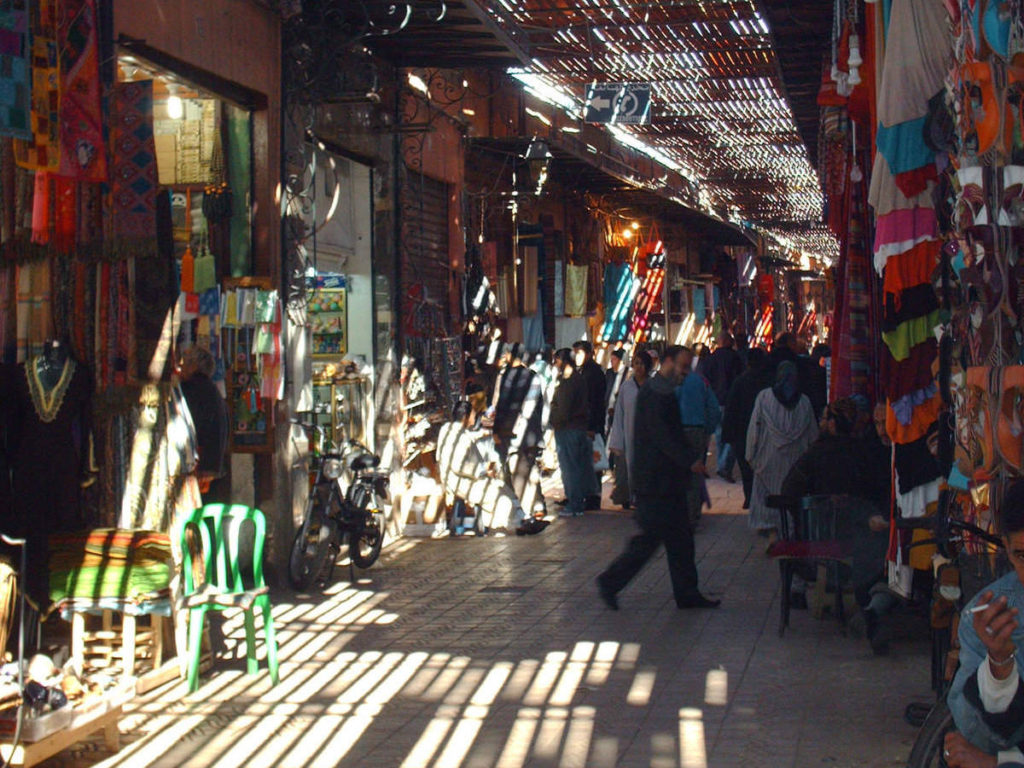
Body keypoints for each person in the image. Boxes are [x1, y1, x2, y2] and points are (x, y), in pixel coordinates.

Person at [597, 345, 720, 610]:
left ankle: (687, 593)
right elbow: (663, 437)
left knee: (680, 540)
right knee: (649, 541)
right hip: (655, 484)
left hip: (667, 483)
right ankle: (610, 581)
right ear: (668, 362)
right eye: (683, 367)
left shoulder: (662, 392)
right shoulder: (655, 394)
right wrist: (690, 460)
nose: (686, 373)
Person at [780, 397, 891, 618]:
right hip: (859, 540)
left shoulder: (815, 454)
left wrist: (808, 514)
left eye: (824, 418)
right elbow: (877, 493)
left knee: (795, 535)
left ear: (832, 423)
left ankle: (798, 590)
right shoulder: (864, 454)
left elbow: (789, 491)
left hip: (818, 541)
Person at [944, 480, 1024, 768]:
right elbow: (972, 737)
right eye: (1021, 556)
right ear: (1006, 547)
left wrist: (999, 763)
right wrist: (999, 666)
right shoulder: (986, 616)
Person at [436, 401, 547, 536]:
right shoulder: (455, 435)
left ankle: (523, 518)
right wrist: (483, 469)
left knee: (503, 486)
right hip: (462, 481)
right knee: (500, 497)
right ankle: (516, 524)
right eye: (472, 414)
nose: (474, 418)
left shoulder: (449, 430)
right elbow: (459, 465)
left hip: (468, 478)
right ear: (466, 416)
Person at [746, 361, 818, 542]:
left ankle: (773, 535)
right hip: (796, 460)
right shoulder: (804, 402)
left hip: (768, 458)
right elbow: (812, 435)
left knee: (769, 497)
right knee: (791, 495)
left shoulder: (764, 398)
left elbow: (755, 428)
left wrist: (750, 454)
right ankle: (792, 534)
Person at [490, 343, 545, 516]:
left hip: (514, 433)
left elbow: (499, 405)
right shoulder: (533, 377)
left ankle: (526, 511)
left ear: (509, 355)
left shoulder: (505, 376)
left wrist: (497, 430)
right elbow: (536, 406)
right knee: (529, 468)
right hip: (529, 433)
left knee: (519, 471)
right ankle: (536, 506)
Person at [721, 348, 772, 509]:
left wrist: (728, 434)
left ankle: (750, 497)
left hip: (742, 432)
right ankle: (761, 499)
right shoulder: (769, 382)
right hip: (765, 432)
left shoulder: (740, 382)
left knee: (746, 468)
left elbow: (731, 409)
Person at [675, 347, 720, 525]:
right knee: (695, 474)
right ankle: (692, 515)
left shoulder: (674, 383)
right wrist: (707, 430)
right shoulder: (701, 381)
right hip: (698, 432)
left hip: (678, 432)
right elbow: (714, 410)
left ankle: (680, 514)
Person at [179, 346, 229, 502]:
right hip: (211, 463)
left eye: (185, 363)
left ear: (194, 365)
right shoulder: (210, 389)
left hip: (202, 463)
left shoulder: (193, 388)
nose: (181, 367)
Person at [608, 350, 653, 508]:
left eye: (641, 363)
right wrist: (617, 439)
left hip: (649, 436)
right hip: (629, 434)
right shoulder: (626, 387)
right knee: (628, 468)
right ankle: (630, 497)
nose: (638, 367)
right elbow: (619, 414)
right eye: (636, 363)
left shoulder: (653, 386)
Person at [551, 349, 591, 518]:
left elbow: (564, 408)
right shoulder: (577, 379)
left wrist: (555, 420)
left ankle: (574, 504)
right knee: (576, 467)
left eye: (557, 360)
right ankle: (577, 503)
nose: (555, 363)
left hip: (567, 429)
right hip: (576, 428)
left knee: (569, 468)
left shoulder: (569, 381)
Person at [700, 332, 744, 482]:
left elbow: (706, 380)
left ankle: (721, 465)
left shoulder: (710, 360)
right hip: (731, 401)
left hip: (715, 401)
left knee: (719, 435)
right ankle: (724, 466)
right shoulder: (735, 358)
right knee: (732, 434)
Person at [574, 341, 606, 510]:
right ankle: (589, 495)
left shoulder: (593, 373)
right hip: (585, 424)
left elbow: (596, 402)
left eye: (579, 353)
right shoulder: (585, 372)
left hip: (591, 425)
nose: (576, 357)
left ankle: (593, 497)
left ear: (588, 354)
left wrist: (593, 426)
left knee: (593, 461)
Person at [604, 348, 626, 437]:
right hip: (608, 404)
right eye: (611, 359)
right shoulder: (609, 373)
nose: (612, 361)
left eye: (614, 359)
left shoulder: (626, 373)